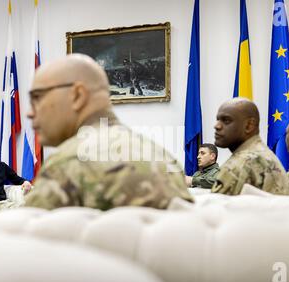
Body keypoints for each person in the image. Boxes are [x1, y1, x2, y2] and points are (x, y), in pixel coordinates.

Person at [24, 53, 192, 210]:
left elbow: (26, 239)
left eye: (37, 97)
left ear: (77, 95)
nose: (29, 113)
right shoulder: (163, 157)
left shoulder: (69, 162)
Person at [211, 97, 289, 195]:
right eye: (218, 120)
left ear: (249, 125)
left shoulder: (240, 165)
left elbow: (215, 208)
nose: (217, 126)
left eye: (226, 121)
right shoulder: (263, 154)